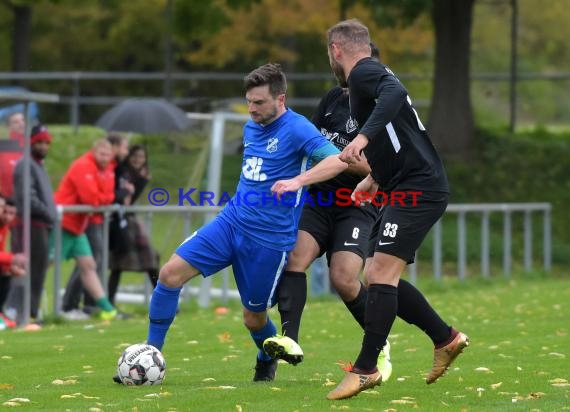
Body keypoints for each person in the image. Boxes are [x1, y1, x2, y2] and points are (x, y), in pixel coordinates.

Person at [121, 63, 348, 384]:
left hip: (268, 242)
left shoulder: (298, 129)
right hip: (230, 223)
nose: (251, 109)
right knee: (170, 274)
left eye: (258, 103)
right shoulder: (251, 126)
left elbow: (337, 159)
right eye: (249, 102)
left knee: (253, 319)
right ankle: (147, 358)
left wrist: (299, 181)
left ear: (280, 99)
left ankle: (265, 359)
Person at [325, 19, 469, 400]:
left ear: (336, 49)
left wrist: (361, 137)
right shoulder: (366, 77)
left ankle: (366, 368)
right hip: (403, 185)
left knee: (381, 275)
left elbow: (395, 91)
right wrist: (372, 180)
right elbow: (399, 132)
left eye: (330, 53)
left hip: (418, 188)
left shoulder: (364, 72)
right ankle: (446, 338)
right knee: (375, 274)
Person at [263, 43, 392, 381]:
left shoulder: (382, 110)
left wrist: (348, 163)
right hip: (319, 200)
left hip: (356, 206)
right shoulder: (332, 99)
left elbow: (374, 169)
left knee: (344, 278)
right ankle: (288, 340)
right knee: (295, 259)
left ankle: (378, 341)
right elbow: (315, 146)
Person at [61, 134, 127, 319]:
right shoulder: (84, 165)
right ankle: (24, 310)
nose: (105, 157)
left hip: (80, 223)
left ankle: (107, 309)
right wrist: (108, 199)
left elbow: (105, 196)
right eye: (102, 153)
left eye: (108, 154)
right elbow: (92, 199)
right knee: (44, 264)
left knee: (89, 264)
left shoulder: (107, 168)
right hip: (65, 221)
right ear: (93, 151)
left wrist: (106, 199)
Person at [4, 124, 57, 326]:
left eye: (46, 142)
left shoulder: (37, 164)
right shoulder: (26, 165)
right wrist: (49, 214)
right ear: (32, 142)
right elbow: (28, 198)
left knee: (37, 271)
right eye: (40, 142)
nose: (43, 146)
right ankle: (19, 315)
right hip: (29, 226)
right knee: (27, 271)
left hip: (39, 225)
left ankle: (30, 314)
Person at [107, 144, 159, 305]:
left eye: (141, 157)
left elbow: (132, 198)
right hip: (120, 221)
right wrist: (141, 180)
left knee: (150, 260)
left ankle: (163, 299)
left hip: (130, 220)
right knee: (118, 264)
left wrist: (142, 180)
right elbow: (126, 198)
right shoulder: (122, 172)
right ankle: (109, 301)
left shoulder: (138, 175)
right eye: (135, 156)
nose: (138, 160)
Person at [0, 195, 26, 329]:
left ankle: (6, 313)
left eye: (11, 213)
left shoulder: (4, 227)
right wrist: (12, 259)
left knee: (7, 272)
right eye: (4, 210)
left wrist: (9, 265)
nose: (6, 215)